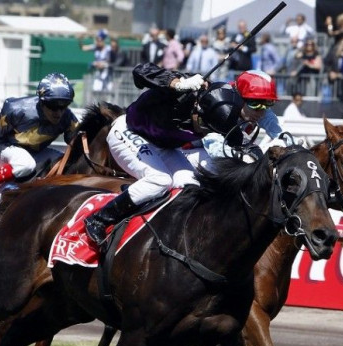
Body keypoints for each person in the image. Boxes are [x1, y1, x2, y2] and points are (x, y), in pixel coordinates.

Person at [83, 63, 244, 246]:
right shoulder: (184, 90)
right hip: (129, 132)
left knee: (193, 184)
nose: (203, 131)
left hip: (163, 147)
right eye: (204, 125)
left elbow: (238, 141)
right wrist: (176, 83)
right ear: (198, 107)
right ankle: (99, 219)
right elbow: (140, 70)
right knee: (159, 180)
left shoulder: (216, 116)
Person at [0, 72, 78, 206]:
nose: (59, 112)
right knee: (25, 163)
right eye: (53, 106)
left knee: (63, 161)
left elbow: (77, 143)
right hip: (3, 146)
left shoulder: (67, 118)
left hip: (35, 152)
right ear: (42, 101)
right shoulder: (16, 109)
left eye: (64, 106)